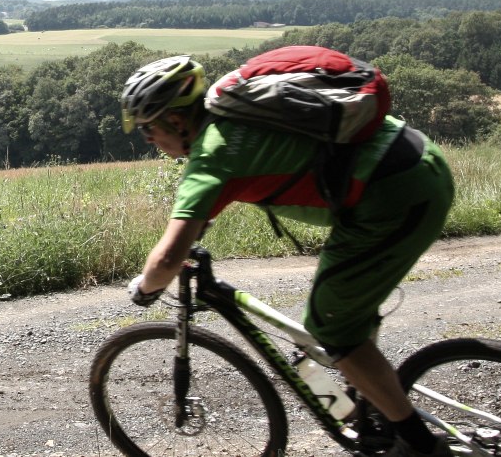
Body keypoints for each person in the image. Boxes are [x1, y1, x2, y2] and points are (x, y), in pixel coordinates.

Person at [119, 53, 456, 457]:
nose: (149, 140)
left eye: (147, 129)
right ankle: (370, 406)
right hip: (416, 160)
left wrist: (145, 288)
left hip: (394, 195)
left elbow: (166, 261)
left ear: (175, 120)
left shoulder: (213, 156)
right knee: (337, 315)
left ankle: (420, 445)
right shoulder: (236, 111)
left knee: (332, 330)